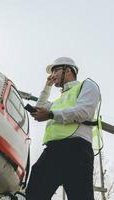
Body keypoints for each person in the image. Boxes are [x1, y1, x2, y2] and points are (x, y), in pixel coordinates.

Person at [25, 57, 102, 200]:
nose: (52, 75)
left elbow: (83, 112)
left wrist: (51, 114)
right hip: (53, 150)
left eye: (55, 70)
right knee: (35, 193)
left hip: (77, 150)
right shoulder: (58, 100)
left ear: (68, 70)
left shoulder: (87, 86)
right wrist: (47, 87)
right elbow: (38, 110)